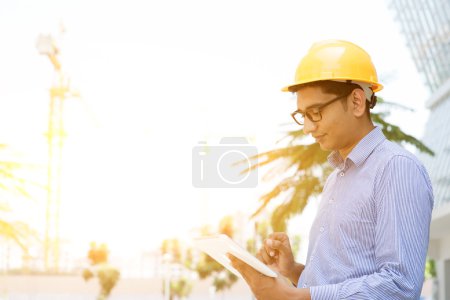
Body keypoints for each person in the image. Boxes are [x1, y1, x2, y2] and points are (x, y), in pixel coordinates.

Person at [229, 39, 434, 299]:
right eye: (302, 115)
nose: (307, 127)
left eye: (315, 112)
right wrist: (292, 271)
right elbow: (339, 279)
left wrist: (294, 297)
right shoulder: (336, 179)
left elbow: (399, 287)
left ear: (357, 102)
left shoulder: (396, 169)